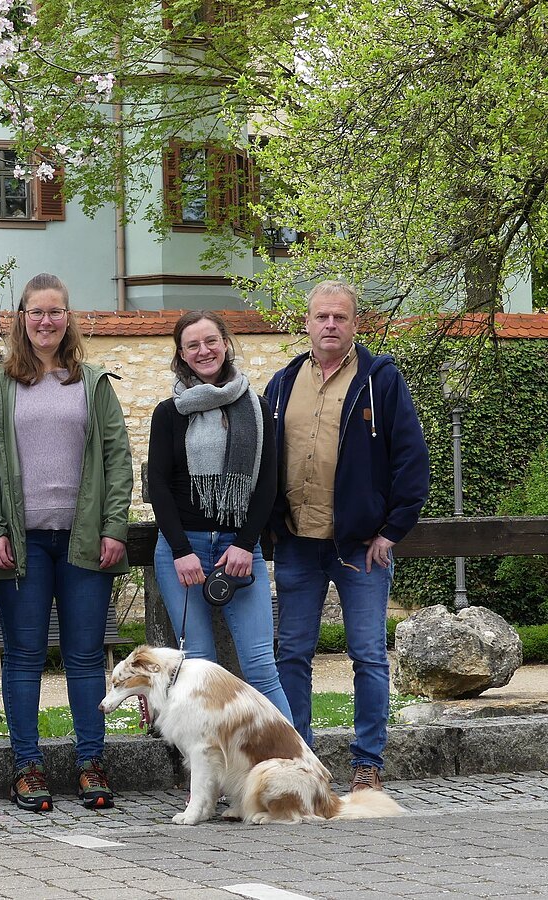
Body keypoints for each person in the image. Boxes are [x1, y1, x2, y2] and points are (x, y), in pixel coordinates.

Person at [0, 273, 133, 813]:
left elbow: (117, 461)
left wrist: (114, 526)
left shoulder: (92, 383)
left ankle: (91, 762)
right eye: (36, 312)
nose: (46, 321)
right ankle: (27, 765)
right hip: (20, 544)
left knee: (86, 657)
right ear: (22, 317)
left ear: (69, 318)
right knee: (23, 655)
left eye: (56, 312)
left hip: (84, 540)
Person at [264, 280, 429, 793]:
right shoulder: (284, 382)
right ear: (307, 323)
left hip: (360, 547)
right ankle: (301, 759)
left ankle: (367, 763)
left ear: (356, 324)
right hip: (296, 541)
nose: (330, 325)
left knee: (368, 655)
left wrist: (392, 531)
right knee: (291, 653)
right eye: (321, 317)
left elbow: (412, 461)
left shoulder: (382, 381)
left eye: (340, 317)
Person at [146, 310, 291, 720]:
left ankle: (295, 768)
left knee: (261, 664)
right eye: (192, 344)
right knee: (199, 669)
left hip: (238, 551)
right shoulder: (168, 413)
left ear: (225, 343)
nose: (204, 350)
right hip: (183, 552)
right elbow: (159, 486)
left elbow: (267, 483)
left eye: (211, 341)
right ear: (182, 354)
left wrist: (246, 545)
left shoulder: (257, 408)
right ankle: (211, 777)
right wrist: (179, 550)